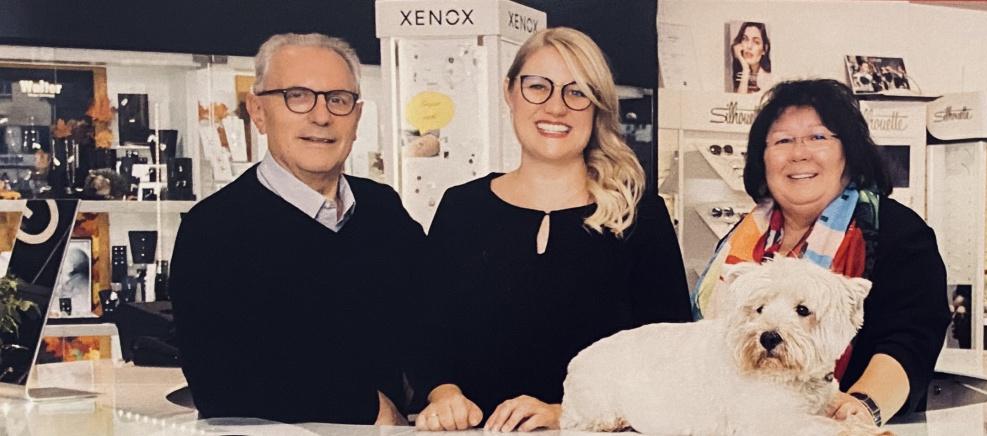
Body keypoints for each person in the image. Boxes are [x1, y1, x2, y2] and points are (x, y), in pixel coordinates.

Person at [414, 27, 691, 433]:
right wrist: (444, 395)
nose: (556, 107)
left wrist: (568, 414)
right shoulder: (462, 208)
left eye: (577, 92)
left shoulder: (639, 216)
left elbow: (671, 361)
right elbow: (427, 335)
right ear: (509, 92)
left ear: (597, 107)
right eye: (537, 87)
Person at [169, 33, 424, 425]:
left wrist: (442, 392)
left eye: (338, 99)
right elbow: (221, 384)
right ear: (257, 111)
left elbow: (431, 324)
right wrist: (369, 408)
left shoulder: (383, 210)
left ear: (356, 117)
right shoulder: (212, 231)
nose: (321, 116)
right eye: (298, 96)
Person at [691, 79, 949, 427]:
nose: (799, 153)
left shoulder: (898, 232)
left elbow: (911, 340)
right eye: (783, 140)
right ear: (762, 158)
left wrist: (859, 408)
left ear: (849, 152)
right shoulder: (742, 239)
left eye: (817, 137)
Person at [729, 22, 772, 94]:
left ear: (764, 49)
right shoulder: (735, 73)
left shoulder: (769, 79)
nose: (749, 46)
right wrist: (745, 69)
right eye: (745, 39)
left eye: (756, 42)